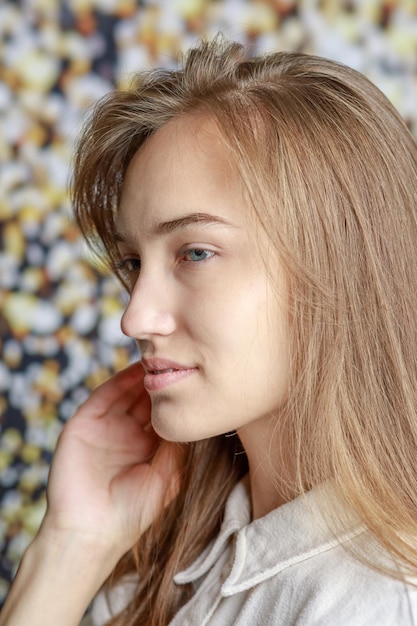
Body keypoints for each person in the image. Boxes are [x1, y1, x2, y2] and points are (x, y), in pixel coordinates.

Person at [2, 36, 417, 626]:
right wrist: (71, 546)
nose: (134, 317)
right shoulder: (172, 560)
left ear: (340, 263)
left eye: (194, 253)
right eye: (132, 263)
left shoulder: (379, 602)